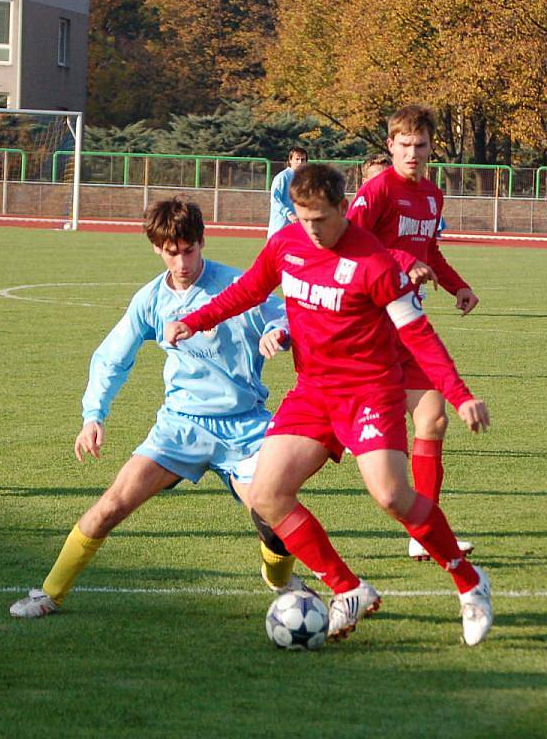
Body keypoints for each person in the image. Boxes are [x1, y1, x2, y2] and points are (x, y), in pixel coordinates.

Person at [166, 164, 493, 647]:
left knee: (391, 496)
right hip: (313, 392)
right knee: (265, 494)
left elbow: (419, 337)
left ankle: (470, 582)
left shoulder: (376, 262)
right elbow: (251, 289)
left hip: (370, 391)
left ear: (343, 208)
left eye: (321, 218)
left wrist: (460, 394)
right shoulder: (287, 244)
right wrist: (197, 320)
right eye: (303, 218)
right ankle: (349, 589)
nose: (312, 229)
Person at [9, 197, 301, 619]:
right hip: (181, 425)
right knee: (112, 504)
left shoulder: (238, 286)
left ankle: (278, 580)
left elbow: (288, 314)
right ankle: (49, 594)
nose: (181, 262)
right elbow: (112, 357)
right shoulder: (150, 299)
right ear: (156, 248)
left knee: (273, 511)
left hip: (245, 427)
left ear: (203, 241)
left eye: (189, 250)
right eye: (171, 252)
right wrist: (94, 415)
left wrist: (279, 333)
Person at [347, 105, 478, 561]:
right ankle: (271, 496)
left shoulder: (431, 195)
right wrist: (404, 263)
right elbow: (351, 246)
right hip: (368, 326)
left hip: (407, 320)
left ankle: (424, 531)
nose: (413, 153)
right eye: (404, 145)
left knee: (433, 419)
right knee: (331, 437)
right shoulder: (376, 190)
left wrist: (456, 284)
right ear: (391, 145)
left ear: (429, 147)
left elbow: (428, 250)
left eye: (420, 146)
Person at [267, 146, 309, 239]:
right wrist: (288, 213)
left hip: (297, 229)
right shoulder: (282, 177)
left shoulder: (305, 179)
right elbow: (275, 200)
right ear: (290, 160)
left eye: (303, 159)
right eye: (297, 159)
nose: (300, 162)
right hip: (280, 228)